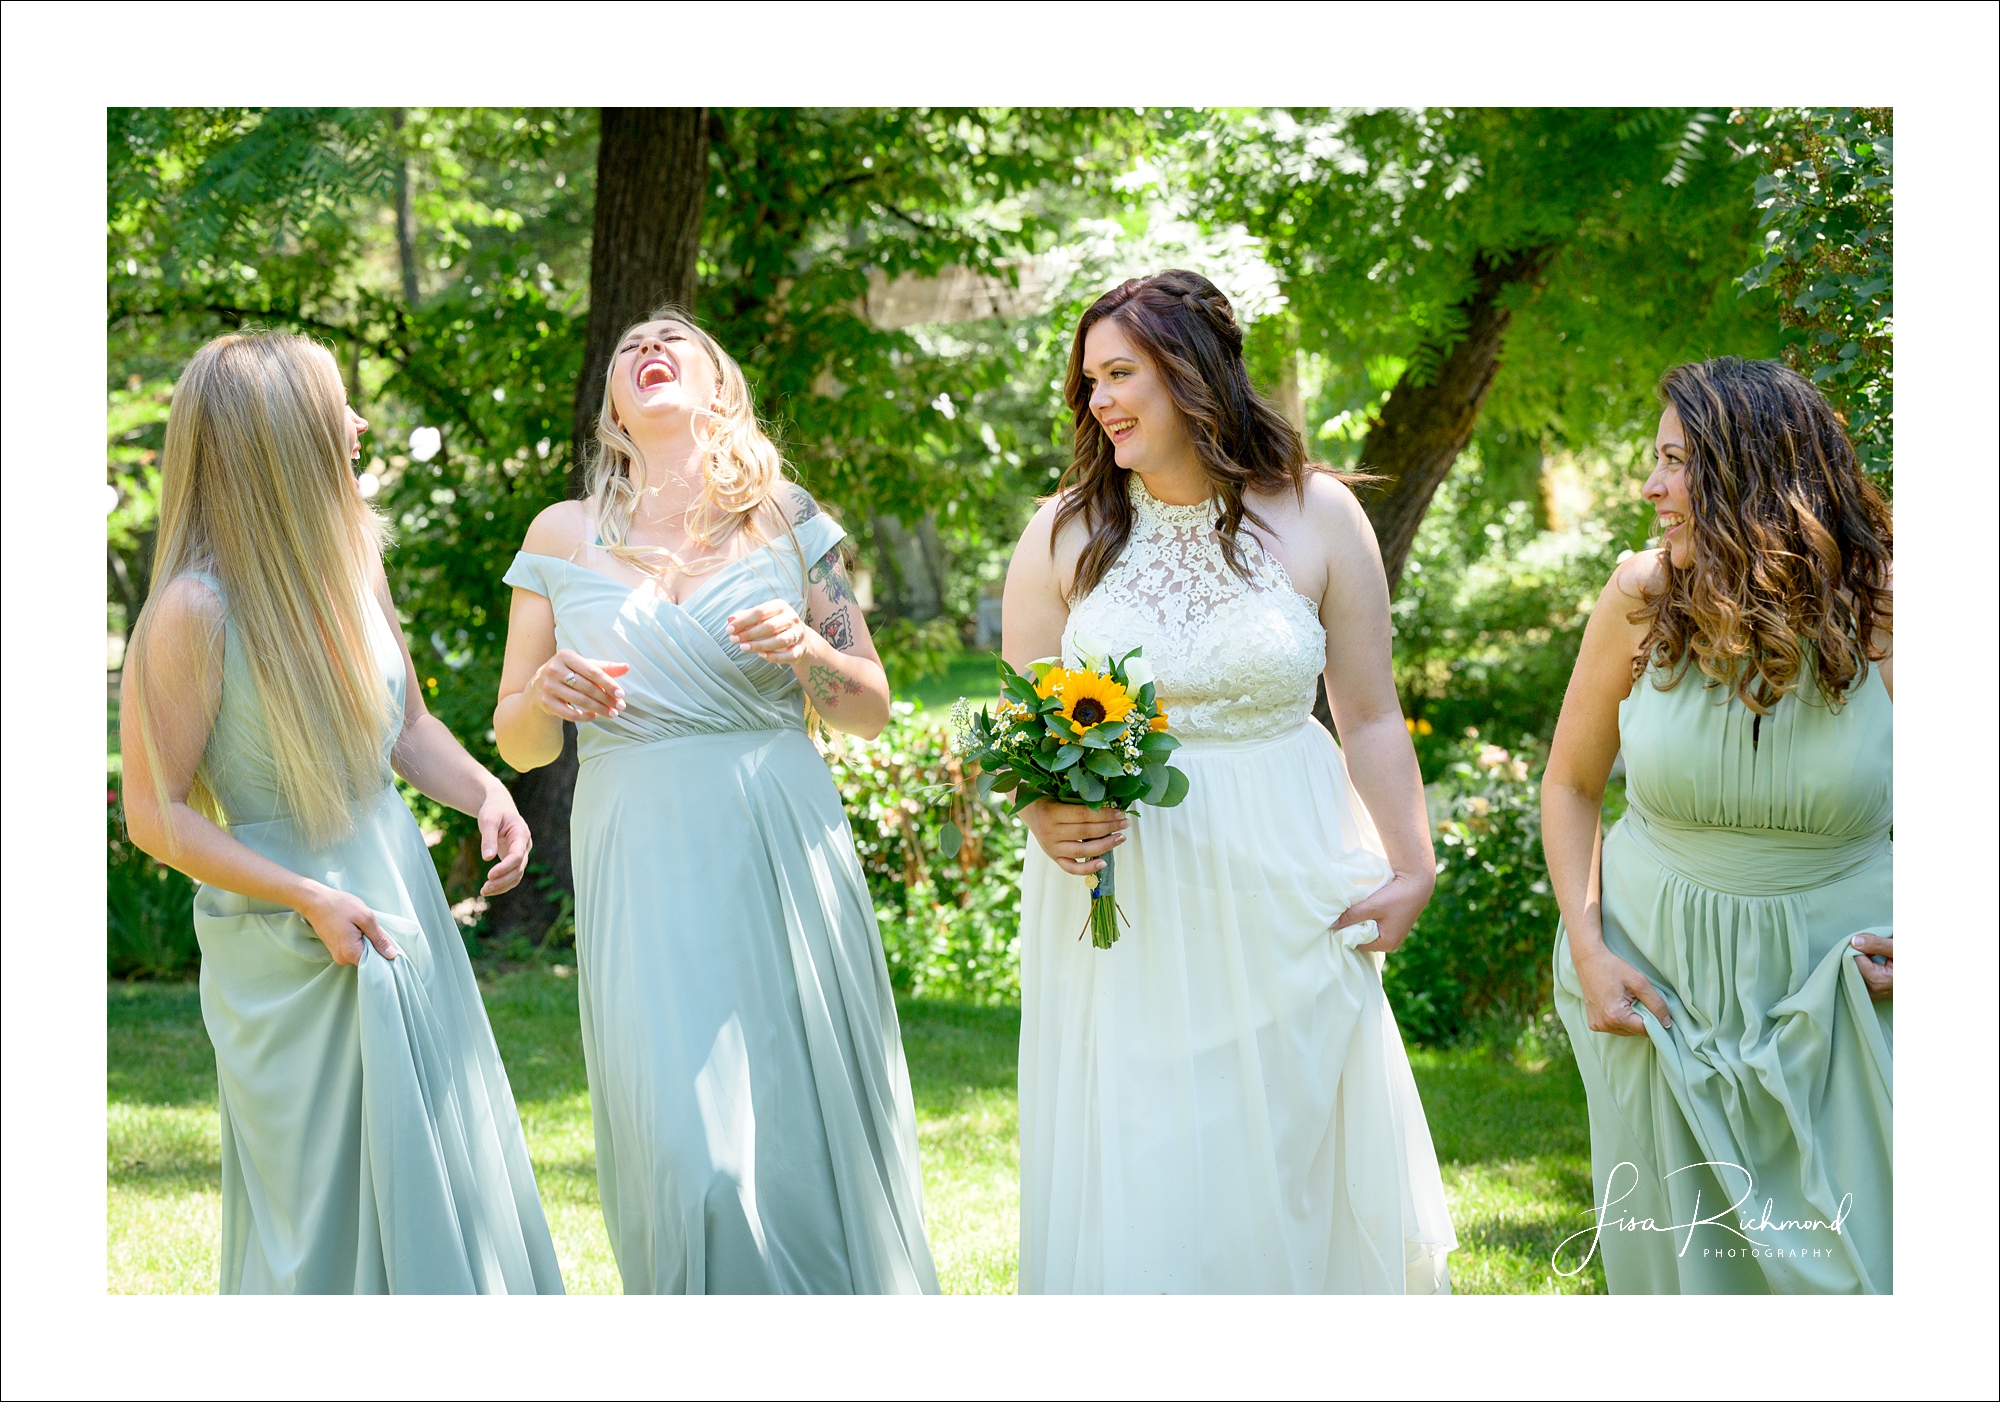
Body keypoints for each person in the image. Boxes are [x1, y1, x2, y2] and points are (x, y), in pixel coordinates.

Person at [1002, 270, 1457, 1294]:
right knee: (1146, 1143)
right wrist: (1044, 809)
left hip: (1283, 874)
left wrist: (1410, 862)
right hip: (1128, 890)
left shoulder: (1316, 515)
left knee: (1289, 1146)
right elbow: (1026, 715)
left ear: (1192, 373)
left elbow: (1370, 712)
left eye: (1120, 374)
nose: (1098, 402)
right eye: (1088, 383)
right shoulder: (1064, 531)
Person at [494, 308, 938, 1294]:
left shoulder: (785, 517)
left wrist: (808, 649)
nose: (647, 352)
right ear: (611, 399)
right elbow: (515, 738)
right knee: (692, 1153)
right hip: (640, 837)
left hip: (778, 829)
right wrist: (544, 695)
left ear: (719, 383)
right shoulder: (560, 535)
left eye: (671, 341)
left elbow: (865, 708)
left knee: (801, 1112)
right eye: (627, 349)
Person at [120, 332, 563, 1294]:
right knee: (324, 1201)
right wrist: (306, 897)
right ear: (280, 435)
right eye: (338, 407)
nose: (360, 424)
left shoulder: (356, 561)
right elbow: (153, 815)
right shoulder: (193, 612)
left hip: (393, 888)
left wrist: (488, 791)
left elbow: (407, 725)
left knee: (444, 1161)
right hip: (289, 933)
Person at [1543, 356, 1893, 1293]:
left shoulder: (1885, 607)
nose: (1651, 487)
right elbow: (1571, 785)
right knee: (1685, 1283)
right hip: (1659, 985)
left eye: (1678, 462)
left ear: (1756, 475)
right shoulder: (1640, 597)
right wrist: (1589, 952)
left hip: (1844, 992)